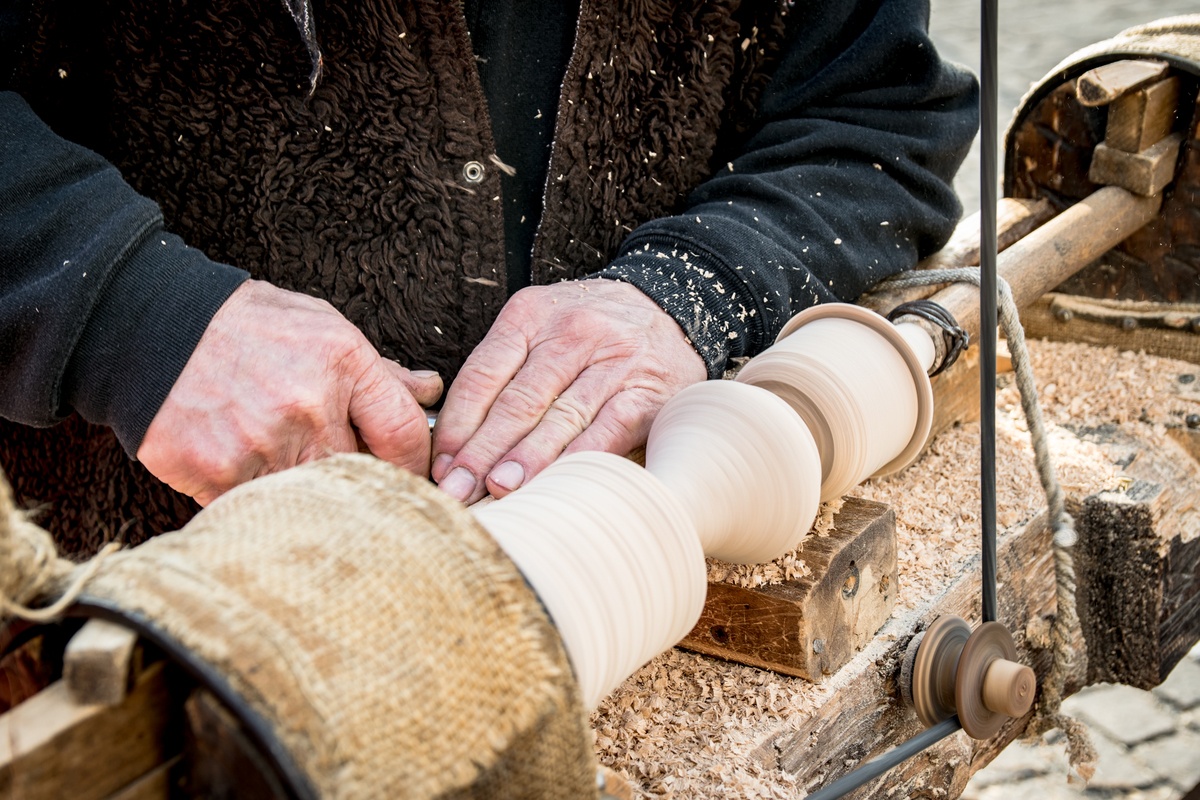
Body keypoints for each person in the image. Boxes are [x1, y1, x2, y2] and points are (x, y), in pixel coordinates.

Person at [0, 0, 978, 550]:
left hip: (614, 573)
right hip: (102, 573)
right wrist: (128, 311)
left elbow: (875, 119)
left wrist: (696, 284)